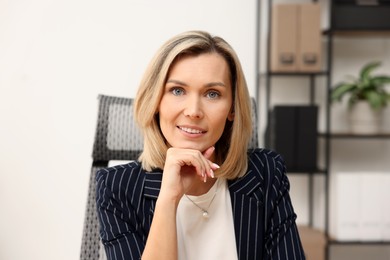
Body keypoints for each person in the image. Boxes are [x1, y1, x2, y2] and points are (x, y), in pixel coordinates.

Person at [96, 30, 305, 260]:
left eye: (212, 94)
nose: (194, 111)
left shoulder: (266, 173)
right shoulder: (117, 188)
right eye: (177, 91)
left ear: (232, 109)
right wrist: (168, 198)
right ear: (156, 101)